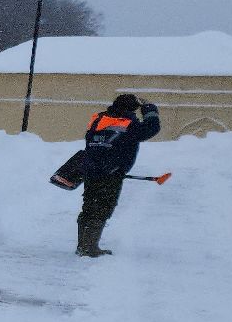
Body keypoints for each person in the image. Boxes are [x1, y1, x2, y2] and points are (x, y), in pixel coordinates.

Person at [65, 93, 161, 257]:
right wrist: (149, 109)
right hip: (111, 172)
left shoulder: (98, 119)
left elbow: (92, 139)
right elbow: (151, 128)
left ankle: (83, 245)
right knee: (103, 207)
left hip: (91, 170)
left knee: (89, 206)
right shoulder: (128, 123)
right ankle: (89, 248)